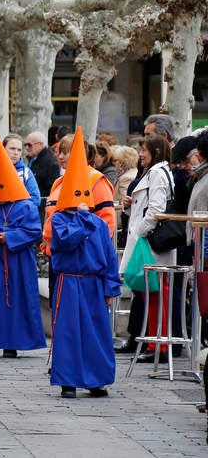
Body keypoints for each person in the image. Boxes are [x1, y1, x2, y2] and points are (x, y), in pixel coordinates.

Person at [48, 130, 122, 399]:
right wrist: (83, 219)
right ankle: (68, 380)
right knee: (68, 332)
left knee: (95, 332)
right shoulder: (60, 220)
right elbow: (66, 241)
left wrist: (111, 288)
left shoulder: (99, 224)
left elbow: (108, 258)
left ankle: (96, 380)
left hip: (93, 283)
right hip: (69, 281)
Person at [0, 136, 46, 359]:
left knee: (16, 299)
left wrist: (9, 237)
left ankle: (11, 343)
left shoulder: (25, 206)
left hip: (18, 262)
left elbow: (34, 231)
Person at [117, 135, 176, 363]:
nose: (140, 154)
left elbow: (155, 210)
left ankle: (156, 343)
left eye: (144, 150)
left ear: (156, 152)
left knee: (155, 294)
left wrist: (139, 231)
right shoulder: (156, 173)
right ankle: (153, 342)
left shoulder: (157, 174)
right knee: (152, 294)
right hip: (148, 241)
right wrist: (132, 208)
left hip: (150, 244)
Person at [24, 131, 60, 201]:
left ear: (40, 144)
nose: (27, 148)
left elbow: (50, 189)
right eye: (25, 145)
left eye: (29, 145)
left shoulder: (50, 162)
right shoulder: (34, 158)